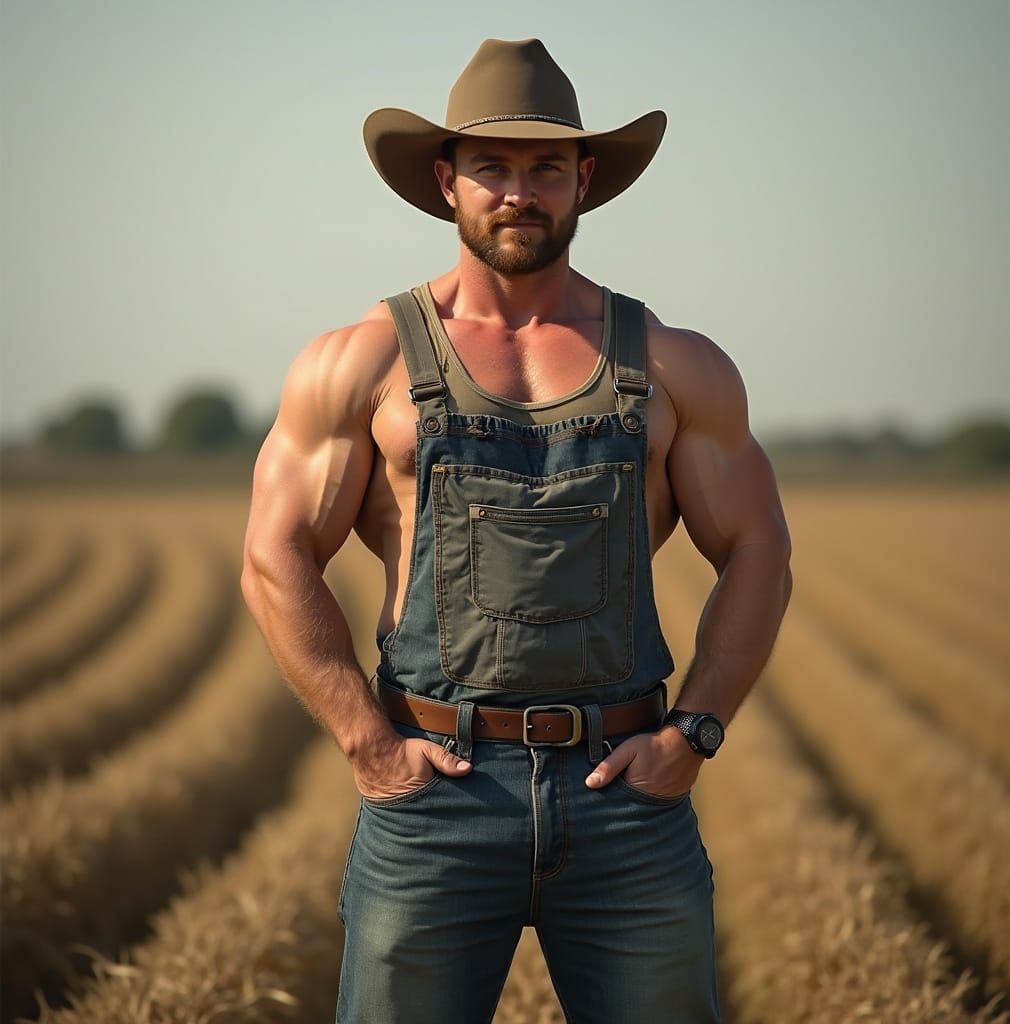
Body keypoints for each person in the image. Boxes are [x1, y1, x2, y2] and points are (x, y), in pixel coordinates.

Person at [241, 37, 792, 1024]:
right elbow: (273, 552)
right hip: (433, 798)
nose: (517, 191)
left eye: (545, 168)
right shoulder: (357, 361)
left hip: (628, 796)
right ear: (445, 180)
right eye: (491, 167)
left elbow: (758, 548)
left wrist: (694, 731)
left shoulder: (675, 363)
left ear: (583, 181)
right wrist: (367, 741)